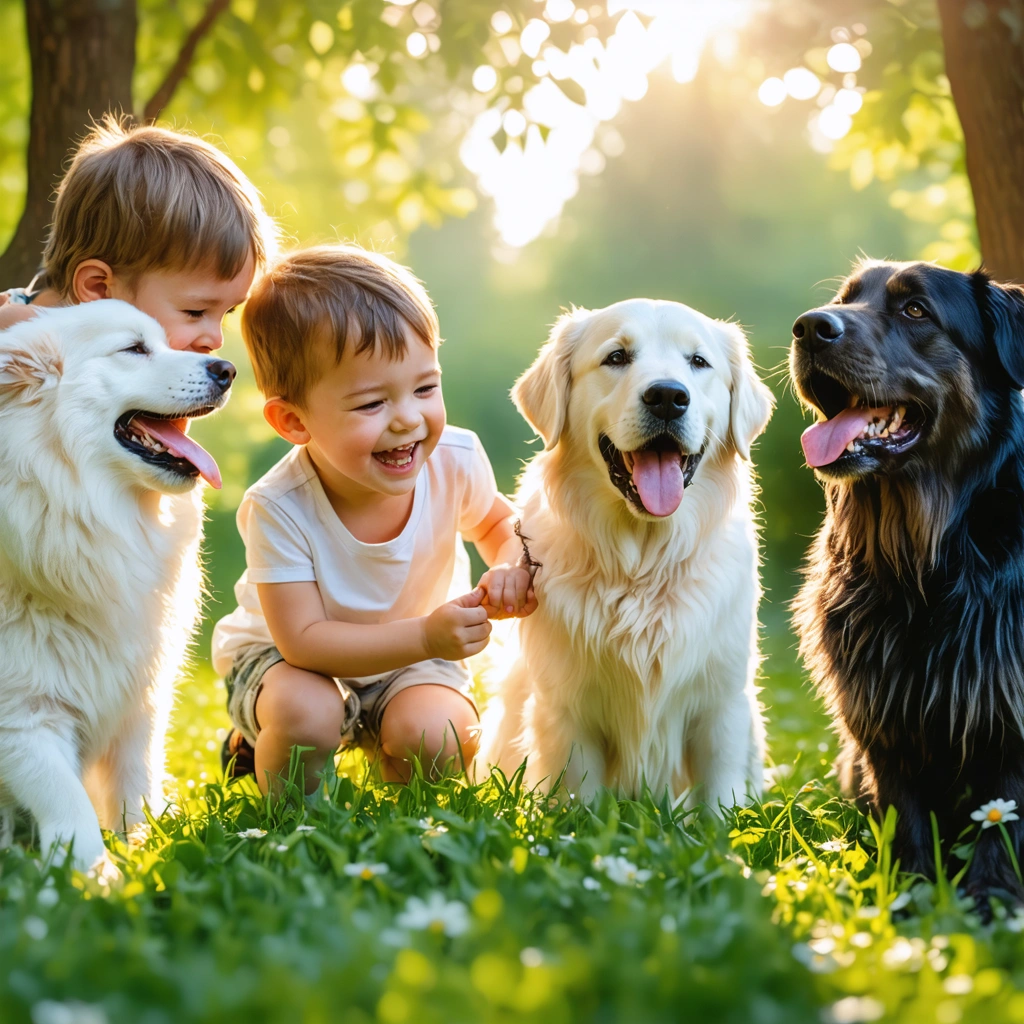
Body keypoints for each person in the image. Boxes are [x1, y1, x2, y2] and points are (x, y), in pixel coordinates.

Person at [211, 245, 537, 793]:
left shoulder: (454, 459)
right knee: (305, 716)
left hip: (412, 662)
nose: (408, 419)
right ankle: (291, 822)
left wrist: (508, 567)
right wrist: (427, 636)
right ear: (293, 420)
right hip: (293, 665)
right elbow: (305, 642)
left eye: (426, 388)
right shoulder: (280, 506)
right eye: (370, 404)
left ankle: (394, 833)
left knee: (440, 736)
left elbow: (501, 526)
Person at [0, 115, 275, 351]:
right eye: (195, 312)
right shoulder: (19, 348)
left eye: (227, 313)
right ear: (98, 289)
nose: (215, 342)